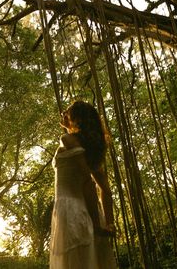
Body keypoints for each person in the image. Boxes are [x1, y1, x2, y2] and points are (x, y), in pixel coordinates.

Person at [49, 100, 117, 269]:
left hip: (71, 212)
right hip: (89, 212)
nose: (63, 113)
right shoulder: (90, 149)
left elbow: (88, 182)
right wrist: (108, 224)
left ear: (77, 119)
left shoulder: (67, 139)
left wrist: (95, 224)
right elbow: (106, 191)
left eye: (67, 112)